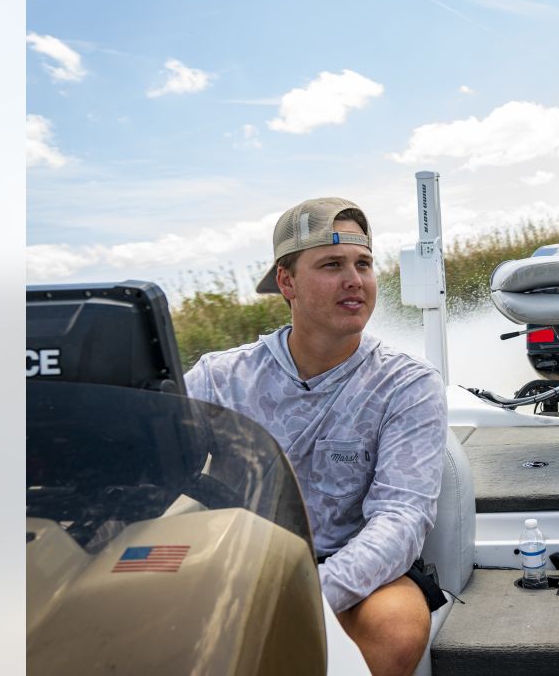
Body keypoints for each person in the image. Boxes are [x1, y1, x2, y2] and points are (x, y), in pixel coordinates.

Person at [185, 197, 448, 676]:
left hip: (360, 569)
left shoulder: (408, 383)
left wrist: (305, 595)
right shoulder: (217, 378)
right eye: (332, 265)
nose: (355, 280)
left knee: (395, 630)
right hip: (241, 562)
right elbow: (149, 465)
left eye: (363, 264)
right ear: (287, 282)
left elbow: (401, 517)